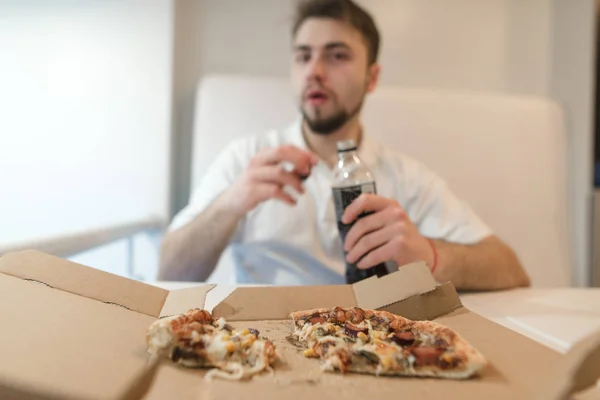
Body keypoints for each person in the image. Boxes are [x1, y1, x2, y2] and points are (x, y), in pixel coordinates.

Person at [159, 0, 530, 290]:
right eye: (303, 56)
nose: (314, 71)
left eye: (336, 55)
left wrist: (429, 255)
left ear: (372, 77)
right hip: (260, 348)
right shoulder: (246, 160)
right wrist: (230, 204)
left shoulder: (406, 177)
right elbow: (169, 270)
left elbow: (509, 268)